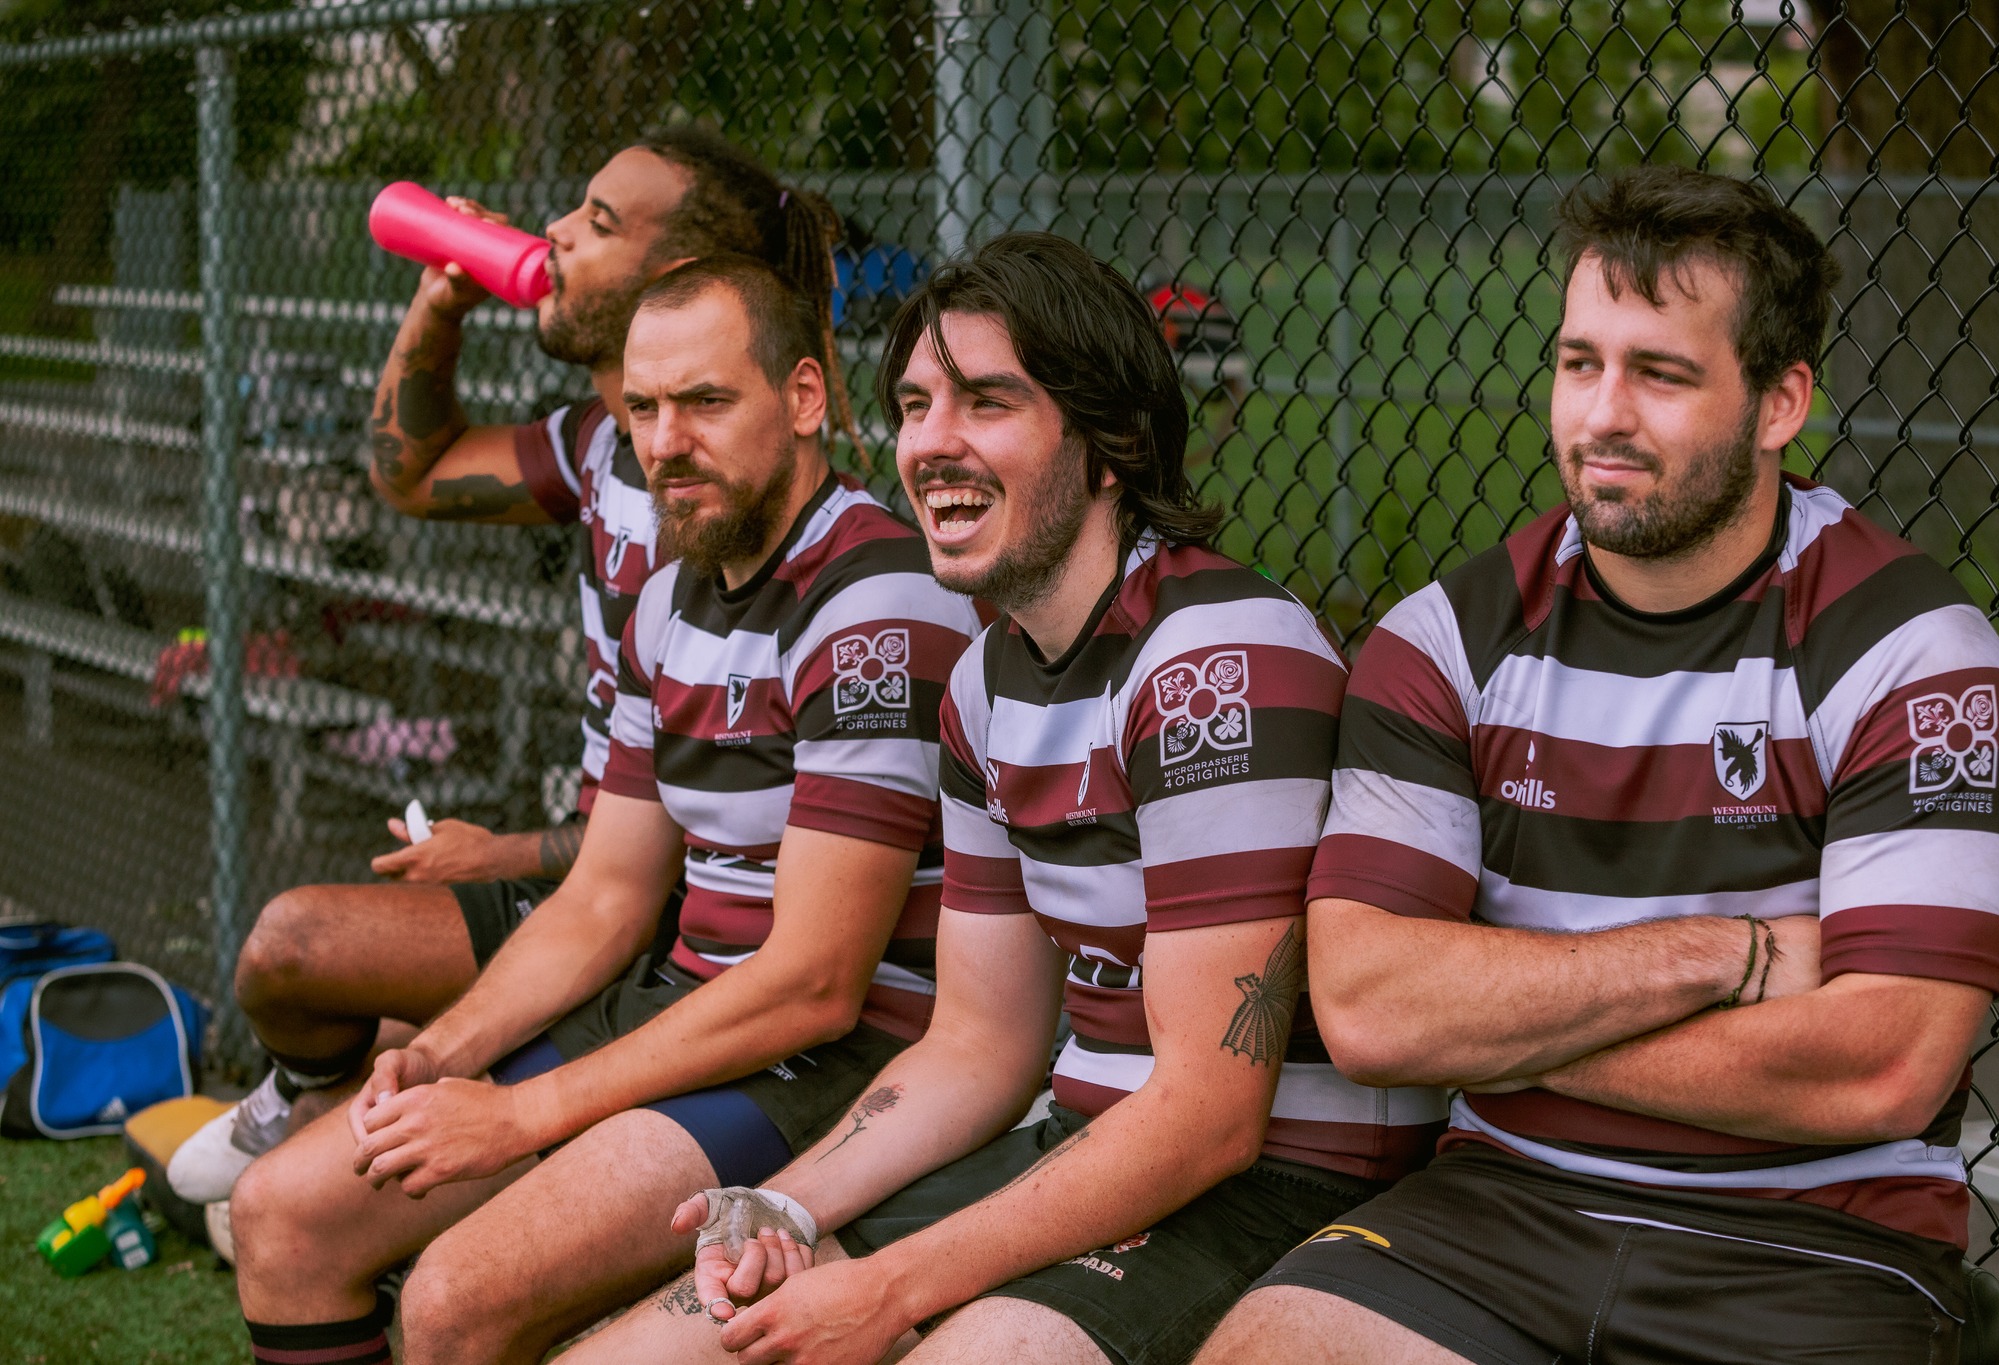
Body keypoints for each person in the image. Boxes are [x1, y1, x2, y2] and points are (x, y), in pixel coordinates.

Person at [561, 232, 1446, 1365]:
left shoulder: (1214, 659)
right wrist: (789, 1204)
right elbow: (978, 1043)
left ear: (1106, 442)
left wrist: (886, 1287)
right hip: (1080, 1142)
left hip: (1282, 1180)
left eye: (986, 402)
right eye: (917, 404)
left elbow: (1209, 1115)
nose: (932, 444)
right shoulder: (984, 676)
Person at [1195, 165, 1999, 1364]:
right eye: (1579, 364)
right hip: (1494, 1215)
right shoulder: (1443, 638)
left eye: (1661, 374)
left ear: (1780, 402)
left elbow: (1881, 1067)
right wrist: (1716, 956)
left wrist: (1493, 1017)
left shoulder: (1910, 652)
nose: (1601, 417)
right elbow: (1369, 1010)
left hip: (1813, 1247)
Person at [229, 253, 981, 1365]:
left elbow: (817, 985)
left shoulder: (875, 598)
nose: (666, 440)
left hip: (827, 1065)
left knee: (452, 1298)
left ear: (807, 398)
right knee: (282, 1213)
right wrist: (443, 1055)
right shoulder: (672, 592)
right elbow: (605, 897)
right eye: (643, 408)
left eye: (708, 402)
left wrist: (523, 1115)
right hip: (677, 1007)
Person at [171, 126, 854, 1206]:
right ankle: (305, 1121)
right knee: (322, 975)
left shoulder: (747, 495)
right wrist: (443, 300)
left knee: (353, 995)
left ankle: (313, 1138)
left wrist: (519, 851)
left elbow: (721, 800)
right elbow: (412, 470)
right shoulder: (591, 442)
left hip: (668, 904)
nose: (554, 235)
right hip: (599, 866)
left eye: (598, 223)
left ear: (673, 276)